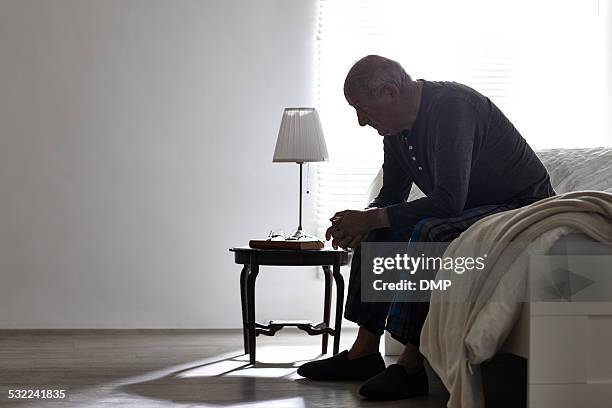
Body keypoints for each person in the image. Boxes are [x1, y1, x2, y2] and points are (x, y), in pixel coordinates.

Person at [296, 55, 556, 401]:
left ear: (390, 92)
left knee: (432, 233)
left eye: (362, 109)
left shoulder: (454, 109)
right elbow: (391, 195)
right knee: (380, 231)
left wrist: (371, 217)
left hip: (522, 204)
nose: (360, 121)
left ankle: (411, 365)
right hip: (472, 206)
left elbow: (448, 202)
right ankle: (363, 352)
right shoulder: (395, 130)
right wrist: (363, 222)